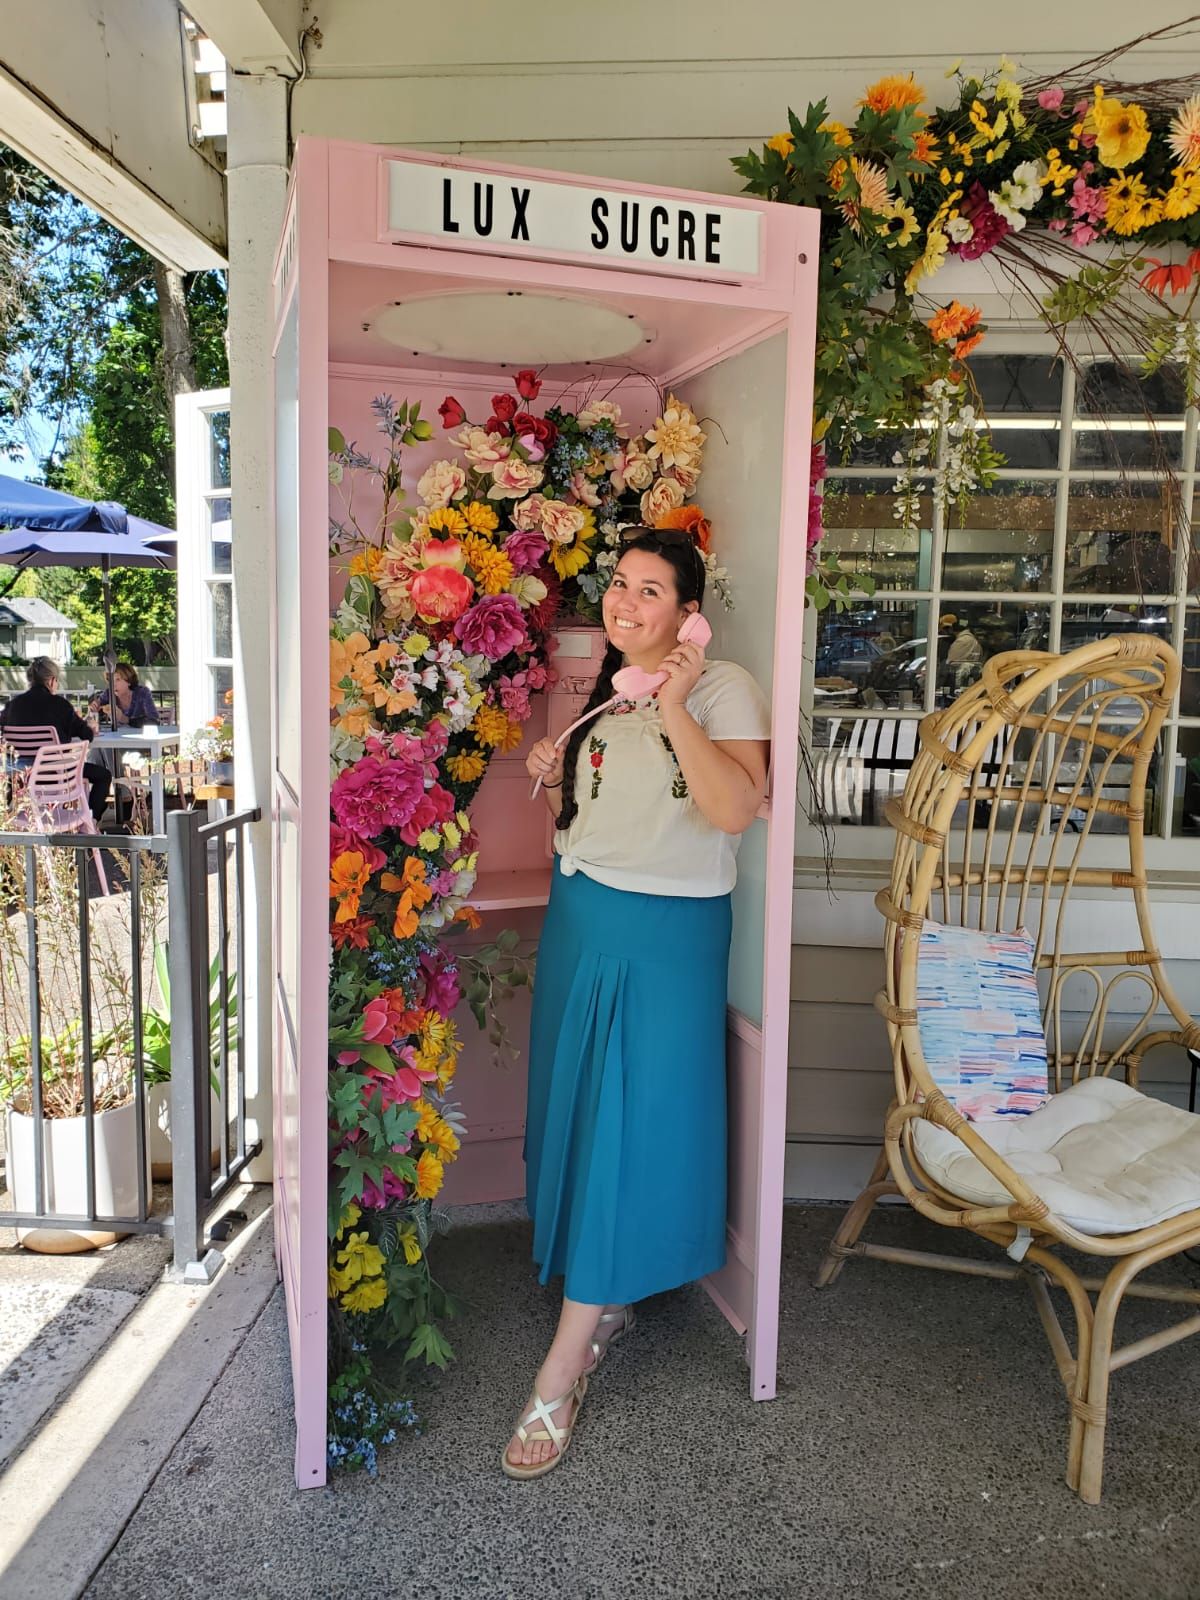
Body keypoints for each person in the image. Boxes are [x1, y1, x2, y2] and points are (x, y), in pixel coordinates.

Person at [511, 526, 771, 1480]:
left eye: (650, 589)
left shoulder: (722, 688)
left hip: (667, 933)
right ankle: (604, 1296)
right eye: (619, 584)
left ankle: (564, 1366)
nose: (625, 601)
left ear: (689, 612)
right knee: (583, 1107)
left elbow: (733, 810)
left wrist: (673, 703)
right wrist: (553, 779)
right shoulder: (603, 697)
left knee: (632, 1121)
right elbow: (588, 822)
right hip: (583, 915)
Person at [0, 656, 111, 820]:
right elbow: (87, 735)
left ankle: (14, 820)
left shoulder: (12, 706)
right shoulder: (60, 705)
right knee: (104, 776)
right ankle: (91, 820)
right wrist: (88, 725)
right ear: (51, 681)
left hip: (20, 775)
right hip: (56, 774)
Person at [88, 663, 160, 729]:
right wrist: (93, 708)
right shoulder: (109, 694)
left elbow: (154, 721)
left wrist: (125, 719)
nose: (113, 684)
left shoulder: (142, 693)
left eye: (118, 679)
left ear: (129, 681)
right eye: (111, 680)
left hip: (141, 737)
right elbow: (92, 713)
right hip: (117, 737)